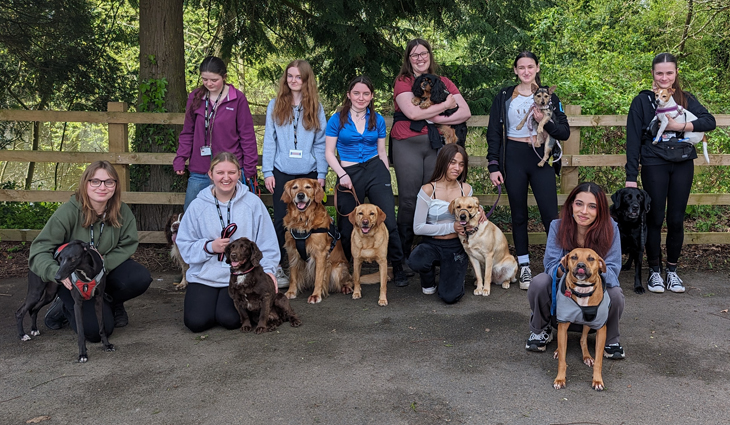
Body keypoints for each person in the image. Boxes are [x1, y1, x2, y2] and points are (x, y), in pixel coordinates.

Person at [29, 161, 151, 340]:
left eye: (109, 182)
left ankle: (111, 302)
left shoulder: (121, 211)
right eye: (95, 181)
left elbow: (128, 244)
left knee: (140, 277)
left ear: (115, 186)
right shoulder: (68, 212)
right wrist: (55, 272)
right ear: (85, 183)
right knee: (96, 332)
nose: (102, 187)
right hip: (72, 278)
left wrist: (102, 265)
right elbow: (39, 249)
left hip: (102, 272)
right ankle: (62, 306)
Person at [625, 52, 716, 293]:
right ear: (653, 75)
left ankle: (672, 271)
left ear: (675, 75)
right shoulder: (642, 101)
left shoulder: (685, 99)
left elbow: (709, 121)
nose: (664, 77)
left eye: (669, 72)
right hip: (654, 162)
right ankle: (655, 271)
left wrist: (681, 126)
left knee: (676, 219)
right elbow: (633, 140)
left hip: (683, 162)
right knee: (654, 218)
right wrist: (630, 177)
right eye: (659, 73)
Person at [486, 51, 570, 290]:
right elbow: (493, 132)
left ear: (537, 68)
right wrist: (494, 165)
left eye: (530, 66)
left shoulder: (549, 96)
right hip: (513, 156)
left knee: (549, 215)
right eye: (521, 67)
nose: (526, 71)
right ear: (515, 70)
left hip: (540, 157)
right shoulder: (504, 96)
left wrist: (547, 120)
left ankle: (556, 266)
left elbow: (564, 132)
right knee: (519, 215)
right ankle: (523, 267)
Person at [175, 152, 279, 333]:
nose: (226, 178)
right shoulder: (197, 205)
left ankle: (222, 308)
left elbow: (267, 242)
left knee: (230, 320)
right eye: (220, 173)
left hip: (243, 278)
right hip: (205, 275)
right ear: (210, 174)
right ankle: (209, 305)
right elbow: (184, 244)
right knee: (196, 322)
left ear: (239, 174)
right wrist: (209, 247)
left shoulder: (253, 203)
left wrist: (269, 271)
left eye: (231, 172)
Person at [391, 38, 472, 265]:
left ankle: (428, 254)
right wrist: (445, 106)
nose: (420, 58)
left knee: (433, 198)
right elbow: (413, 113)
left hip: (436, 146)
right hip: (407, 142)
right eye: (415, 55)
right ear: (408, 58)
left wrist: (434, 117)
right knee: (408, 199)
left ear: (430, 55)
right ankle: (401, 258)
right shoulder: (404, 81)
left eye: (423, 53)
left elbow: (465, 111)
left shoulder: (444, 81)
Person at [525, 182, 625, 359]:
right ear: (571, 204)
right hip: (563, 300)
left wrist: (590, 274)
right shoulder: (558, 226)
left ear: (600, 209)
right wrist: (570, 271)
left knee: (615, 293)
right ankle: (541, 329)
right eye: (579, 204)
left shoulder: (611, 228)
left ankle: (611, 339)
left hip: (595, 300)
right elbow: (550, 266)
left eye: (592, 206)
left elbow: (614, 270)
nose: (584, 211)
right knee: (540, 282)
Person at [325, 75, 408, 286]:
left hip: (374, 169)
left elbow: (382, 151)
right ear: (349, 95)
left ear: (371, 96)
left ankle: (397, 267)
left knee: (387, 220)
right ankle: (348, 272)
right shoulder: (337, 119)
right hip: (348, 171)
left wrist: (385, 175)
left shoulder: (377, 119)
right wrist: (342, 174)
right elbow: (328, 152)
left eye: (365, 94)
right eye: (356, 93)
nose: (361, 98)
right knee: (347, 223)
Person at [262, 60, 328, 289]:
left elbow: (321, 143)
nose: (293, 80)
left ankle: (312, 267)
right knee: (283, 222)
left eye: (298, 77)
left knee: (312, 222)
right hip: (283, 174)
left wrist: (321, 173)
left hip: (309, 174)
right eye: (289, 76)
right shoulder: (275, 105)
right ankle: (279, 268)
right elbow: (270, 141)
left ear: (306, 79)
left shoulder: (316, 107)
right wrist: (267, 171)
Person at [174, 56, 258, 211]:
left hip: (229, 169)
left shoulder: (237, 99)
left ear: (224, 77)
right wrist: (181, 157)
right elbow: (188, 132)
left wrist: (249, 167)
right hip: (200, 167)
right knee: (192, 213)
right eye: (205, 79)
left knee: (233, 214)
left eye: (214, 80)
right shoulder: (195, 97)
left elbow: (247, 136)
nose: (209, 84)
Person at [407, 144, 479, 303]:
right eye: (452, 162)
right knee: (416, 260)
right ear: (442, 162)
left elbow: (472, 216)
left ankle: (450, 274)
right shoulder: (427, 189)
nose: (457, 168)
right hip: (431, 244)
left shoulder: (466, 190)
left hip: (456, 245)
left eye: (461, 164)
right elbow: (418, 228)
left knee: (450, 297)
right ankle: (428, 277)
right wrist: (450, 227)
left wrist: (479, 217)